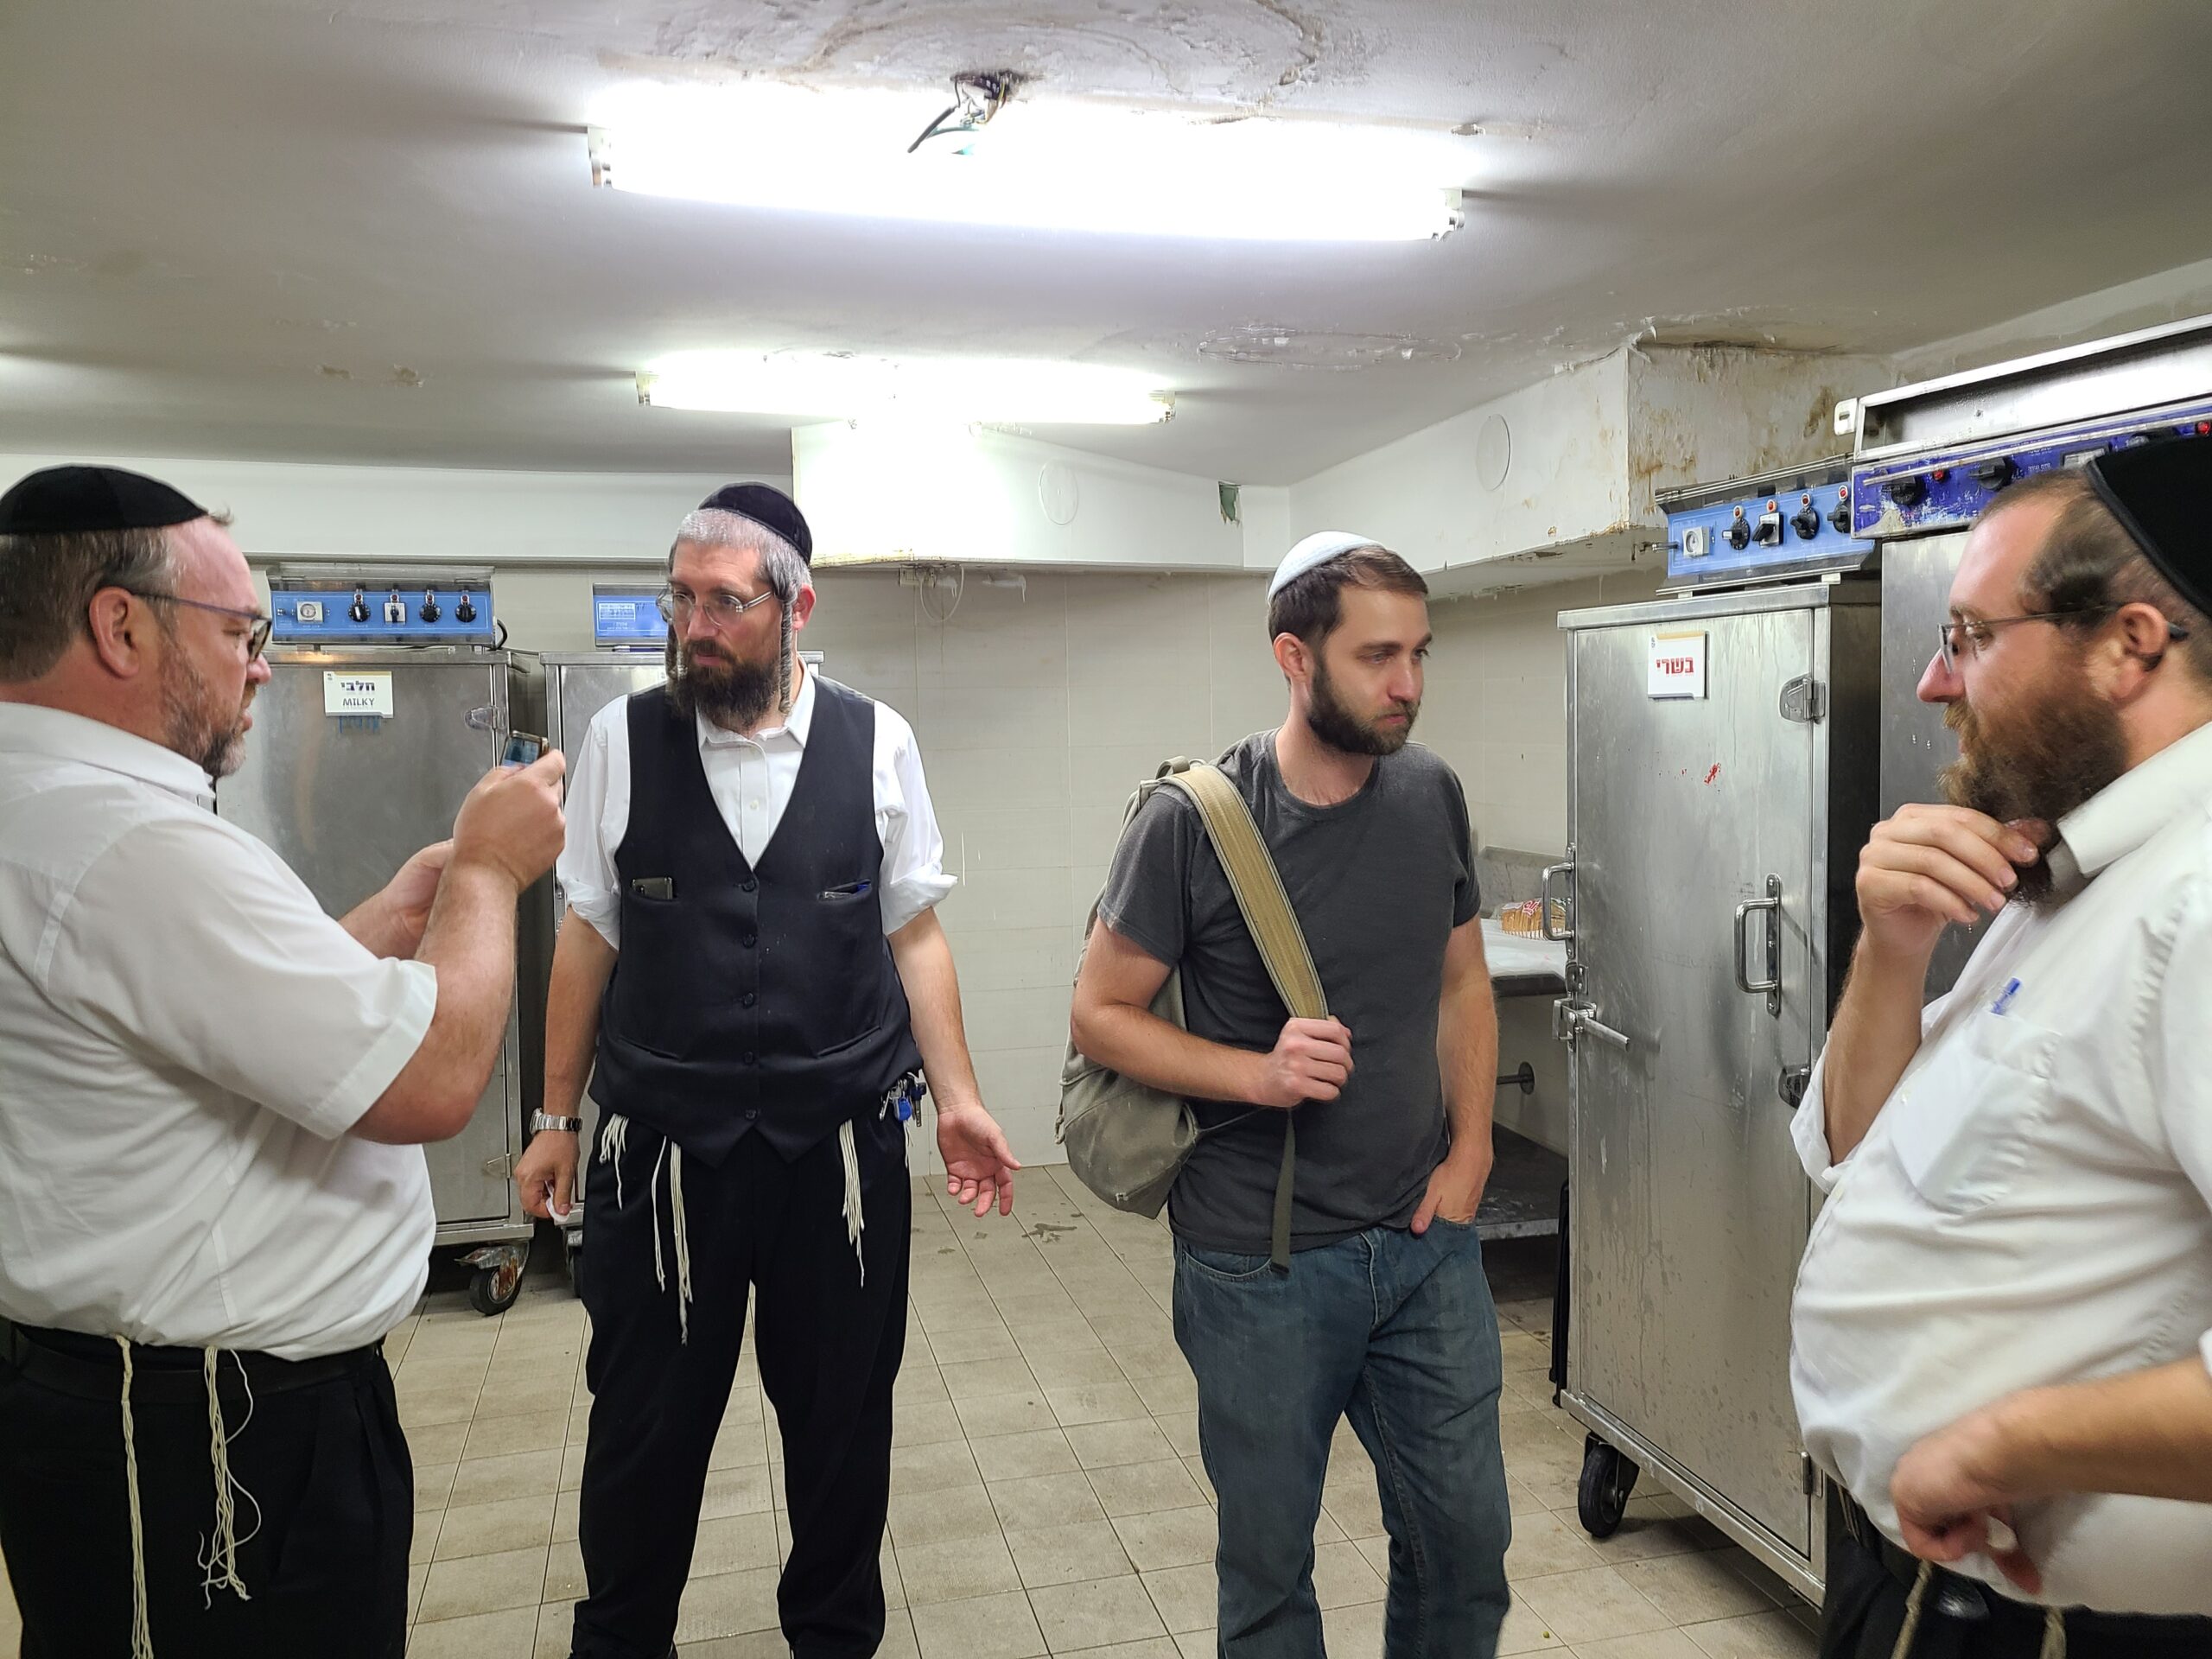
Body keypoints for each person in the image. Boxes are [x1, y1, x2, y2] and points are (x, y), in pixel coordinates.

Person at [0, 464, 567, 1659]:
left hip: (129, 1411)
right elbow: (431, 1078)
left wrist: (397, 917)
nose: (260, 667)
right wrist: (488, 873)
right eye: (240, 634)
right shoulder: (126, 843)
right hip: (217, 1449)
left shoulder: (47, 808)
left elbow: (214, 1033)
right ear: (120, 627)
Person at [515, 483, 1020, 1659]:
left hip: (835, 1160)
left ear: (796, 606)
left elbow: (914, 935)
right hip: (662, 1162)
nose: (695, 627)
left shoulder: (878, 741)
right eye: (680, 599)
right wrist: (554, 1116)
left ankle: (833, 1641)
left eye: (725, 603)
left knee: (842, 1433)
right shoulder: (621, 740)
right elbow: (587, 936)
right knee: (643, 1436)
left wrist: (959, 1101)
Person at [1790, 439, 2212, 1656]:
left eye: (1972, 636)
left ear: (2129, 645)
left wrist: (1997, 1446)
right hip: (1921, 1577)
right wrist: (1892, 948)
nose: (1935, 680)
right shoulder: (2073, 871)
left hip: (2071, 1623)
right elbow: (1856, 1156)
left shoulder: (2196, 902)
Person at [1069, 531, 1511, 1658]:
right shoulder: (1192, 822)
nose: (1407, 683)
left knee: (1465, 1552)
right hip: (1256, 1268)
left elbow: (1463, 980)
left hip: (1423, 1245)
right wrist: (1255, 1075)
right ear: (1294, 657)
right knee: (1270, 1580)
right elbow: (1099, 1013)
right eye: (1376, 656)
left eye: (1418, 652)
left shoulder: (1432, 793)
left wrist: (1470, 1153)